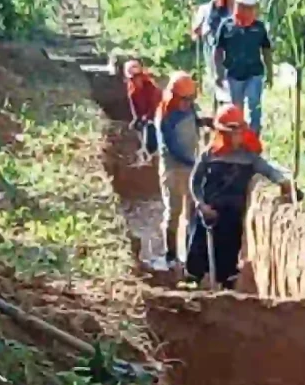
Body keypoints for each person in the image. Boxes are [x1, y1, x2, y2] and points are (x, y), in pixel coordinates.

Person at [187, 104, 292, 290]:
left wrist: (282, 181)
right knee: (198, 247)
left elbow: (268, 170)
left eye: (239, 132)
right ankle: (192, 282)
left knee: (228, 253)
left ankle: (227, 289)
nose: (237, 137)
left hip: (233, 214)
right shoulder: (209, 155)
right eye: (232, 133)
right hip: (208, 212)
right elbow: (195, 182)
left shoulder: (249, 157)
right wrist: (201, 205)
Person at [155, 72, 201, 271]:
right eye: (185, 99)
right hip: (174, 169)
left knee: (192, 212)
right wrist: (193, 162)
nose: (188, 103)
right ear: (174, 96)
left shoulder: (189, 108)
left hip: (191, 166)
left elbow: (194, 122)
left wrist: (204, 122)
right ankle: (171, 255)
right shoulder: (166, 116)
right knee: (174, 212)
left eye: (191, 99)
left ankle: (191, 257)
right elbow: (173, 147)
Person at [214, 0, 274, 137]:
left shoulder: (259, 28)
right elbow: (218, 51)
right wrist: (219, 73)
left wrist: (270, 72)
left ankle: (254, 136)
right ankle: (238, 138)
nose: (249, 12)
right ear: (238, 7)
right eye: (245, 8)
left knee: (254, 105)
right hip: (234, 74)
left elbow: (266, 50)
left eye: (251, 8)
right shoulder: (226, 26)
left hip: (254, 73)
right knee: (236, 108)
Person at [190, 0, 240, 100]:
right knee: (218, 76)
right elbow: (197, 30)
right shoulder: (209, 9)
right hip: (214, 45)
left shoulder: (238, 5)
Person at [122, 60, 162, 159]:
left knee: (151, 132)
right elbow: (134, 106)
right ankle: (146, 153)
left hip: (157, 116)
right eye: (133, 78)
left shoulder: (151, 88)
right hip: (146, 118)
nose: (136, 80)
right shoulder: (132, 89)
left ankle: (155, 152)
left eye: (138, 76)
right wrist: (137, 119)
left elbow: (156, 105)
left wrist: (147, 117)